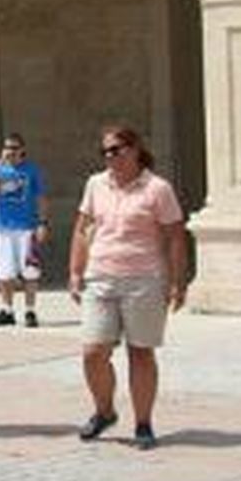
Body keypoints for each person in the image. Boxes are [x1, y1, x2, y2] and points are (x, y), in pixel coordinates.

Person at [69, 125, 189, 451]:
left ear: (135, 149)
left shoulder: (157, 188)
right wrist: (75, 271)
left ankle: (143, 422)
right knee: (93, 352)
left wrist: (178, 282)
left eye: (117, 149)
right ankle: (104, 411)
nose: (111, 156)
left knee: (140, 352)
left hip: (144, 280)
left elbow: (176, 235)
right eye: (105, 151)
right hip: (101, 277)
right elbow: (82, 229)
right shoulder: (96, 184)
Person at [0, 133, 48, 328]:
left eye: (14, 147)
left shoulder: (32, 171)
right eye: (7, 147)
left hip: (27, 228)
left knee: (30, 270)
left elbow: (41, 198)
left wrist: (43, 223)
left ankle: (30, 310)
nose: (10, 151)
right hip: (3, 228)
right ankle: (7, 310)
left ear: (22, 150)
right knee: (4, 271)